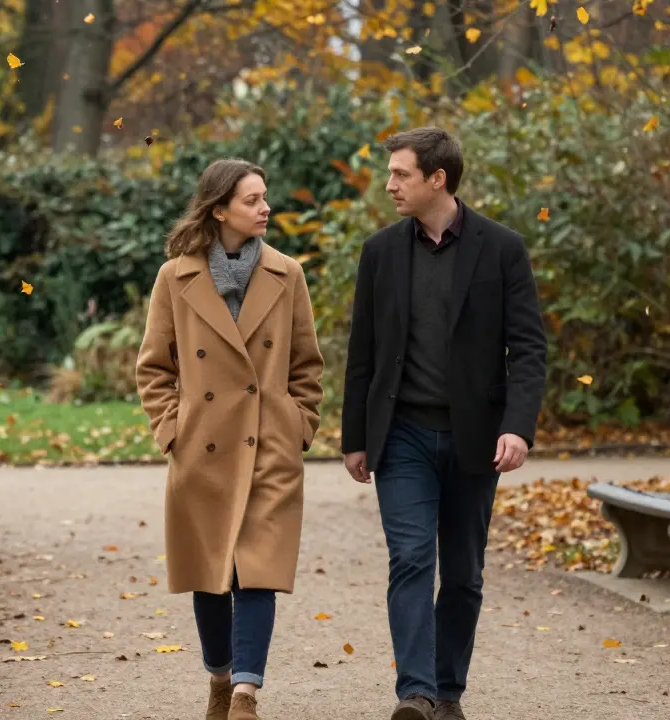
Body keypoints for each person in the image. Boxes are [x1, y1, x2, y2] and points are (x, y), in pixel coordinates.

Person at [341, 127, 548, 720]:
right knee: (410, 558)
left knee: (463, 573)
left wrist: (518, 426)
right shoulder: (380, 252)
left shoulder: (502, 248)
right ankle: (416, 693)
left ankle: (448, 692)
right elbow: (364, 353)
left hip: (475, 439)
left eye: (400, 174)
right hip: (401, 433)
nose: (389, 185)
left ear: (438, 178)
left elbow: (528, 348)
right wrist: (355, 438)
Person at [135, 157, 325, 720]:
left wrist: (299, 424)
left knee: (257, 568)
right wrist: (174, 431)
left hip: (269, 443)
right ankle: (219, 677)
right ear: (219, 209)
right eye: (252, 200)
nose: (265, 207)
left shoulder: (288, 274)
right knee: (212, 573)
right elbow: (153, 368)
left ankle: (245, 692)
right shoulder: (176, 276)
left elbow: (306, 365)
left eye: (265, 197)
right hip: (203, 447)